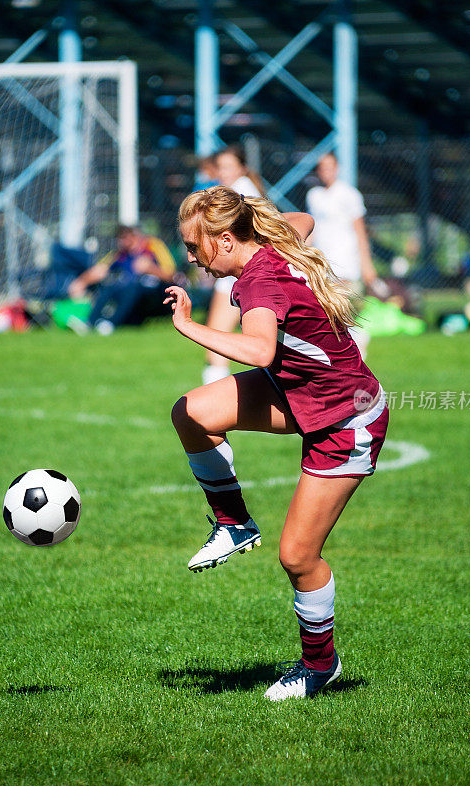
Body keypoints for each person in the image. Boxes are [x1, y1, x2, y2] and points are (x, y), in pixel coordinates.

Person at [164, 186, 389, 702]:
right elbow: (304, 218)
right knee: (191, 412)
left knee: (297, 556)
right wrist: (261, 224)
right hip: (300, 393)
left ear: (224, 240)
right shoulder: (272, 247)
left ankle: (319, 666)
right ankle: (233, 523)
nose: (190, 257)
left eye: (195, 247)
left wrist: (189, 326)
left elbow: (260, 346)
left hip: (345, 418)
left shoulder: (259, 282)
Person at [306, 153, 389, 357]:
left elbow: (360, 231)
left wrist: (366, 264)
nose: (326, 171)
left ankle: (354, 342)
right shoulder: (314, 195)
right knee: (328, 306)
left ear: (337, 168)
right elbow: (313, 229)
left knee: (339, 305)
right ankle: (351, 341)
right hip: (322, 258)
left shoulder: (348, 194)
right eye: (322, 167)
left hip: (344, 258)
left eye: (329, 167)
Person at [201, 145, 264, 385]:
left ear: (242, 168)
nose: (223, 172)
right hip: (241, 272)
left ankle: (214, 405)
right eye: (221, 167)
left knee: (216, 344)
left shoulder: (239, 192)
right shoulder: (241, 190)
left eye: (229, 167)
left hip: (235, 273)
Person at [68, 225, 176, 334]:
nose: (122, 242)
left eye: (125, 238)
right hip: (127, 291)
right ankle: (90, 322)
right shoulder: (120, 254)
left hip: (155, 293)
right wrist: (80, 282)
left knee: (133, 288)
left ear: (135, 236)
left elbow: (171, 275)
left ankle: (110, 324)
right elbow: (100, 269)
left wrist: (151, 269)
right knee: (110, 286)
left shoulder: (153, 245)